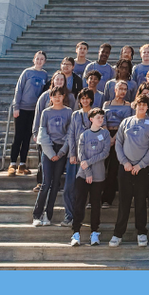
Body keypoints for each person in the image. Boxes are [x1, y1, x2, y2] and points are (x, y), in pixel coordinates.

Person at [109, 94, 149, 247]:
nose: (141, 107)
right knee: (124, 202)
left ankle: (142, 232)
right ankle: (118, 234)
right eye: (139, 104)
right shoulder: (126, 122)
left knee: (140, 202)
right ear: (135, 106)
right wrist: (125, 162)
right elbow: (118, 144)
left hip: (142, 170)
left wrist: (140, 165)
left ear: (147, 107)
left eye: (144, 105)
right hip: (125, 168)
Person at [70, 108, 110, 247]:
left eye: (102, 118)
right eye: (98, 117)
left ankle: (94, 232)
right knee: (79, 203)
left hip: (98, 176)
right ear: (91, 119)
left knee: (95, 204)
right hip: (83, 175)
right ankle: (76, 232)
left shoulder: (105, 134)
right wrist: (87, 173)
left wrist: (90, 163)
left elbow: (104, 153)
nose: (101, 120)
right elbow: (81, 155)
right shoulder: (84, 135)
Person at [32, 87, 72, 226]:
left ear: (63, 97)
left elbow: (69, 134)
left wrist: (61, 152)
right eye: (54, 96)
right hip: (48, 148)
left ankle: (48, 215)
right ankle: (37, 215)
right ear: (50, 97)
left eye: (60, 96)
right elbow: (42, 133)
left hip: (61, 149)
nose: (57, 98)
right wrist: (50, 153)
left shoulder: (68, 112)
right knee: (46, 183)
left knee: (55, 184)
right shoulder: (46, 113)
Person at [10, 51, 49, 176]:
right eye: (37, 59)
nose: (39, 61)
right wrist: (16, 106)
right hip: (22, 108)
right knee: (18, 137)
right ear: (34, 60)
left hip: (34, 110)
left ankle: (22, 164)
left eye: (42, 59)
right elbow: (19, 89)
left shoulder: (44, 75)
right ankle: (12, 164)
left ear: (45, 61)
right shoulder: (27, 72)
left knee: (27, 138)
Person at [59, 89, 95, 226]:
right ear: (79, 100)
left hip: (89, 158)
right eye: (82, 98)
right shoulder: (75, 115)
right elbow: (71, 135)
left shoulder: (96, 113)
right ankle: (69, 215)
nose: (85, 100)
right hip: (74, 158)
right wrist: (72, 154)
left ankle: (78, 218)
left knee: (83, 190)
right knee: (69, 188)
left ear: (91, 99)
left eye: (87, 98)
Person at [101, 80, 134, 204]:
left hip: (120, 136)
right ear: (115, 90)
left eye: (125, 89)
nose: (122, 91)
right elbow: (102, 120)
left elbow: (125, 123)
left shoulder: (128, 105)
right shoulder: (106, 104)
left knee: (113, 168)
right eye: (120, 88)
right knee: (102, 166)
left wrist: (114, 139)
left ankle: (107, 199)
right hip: (105, 135)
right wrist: (107, 137)